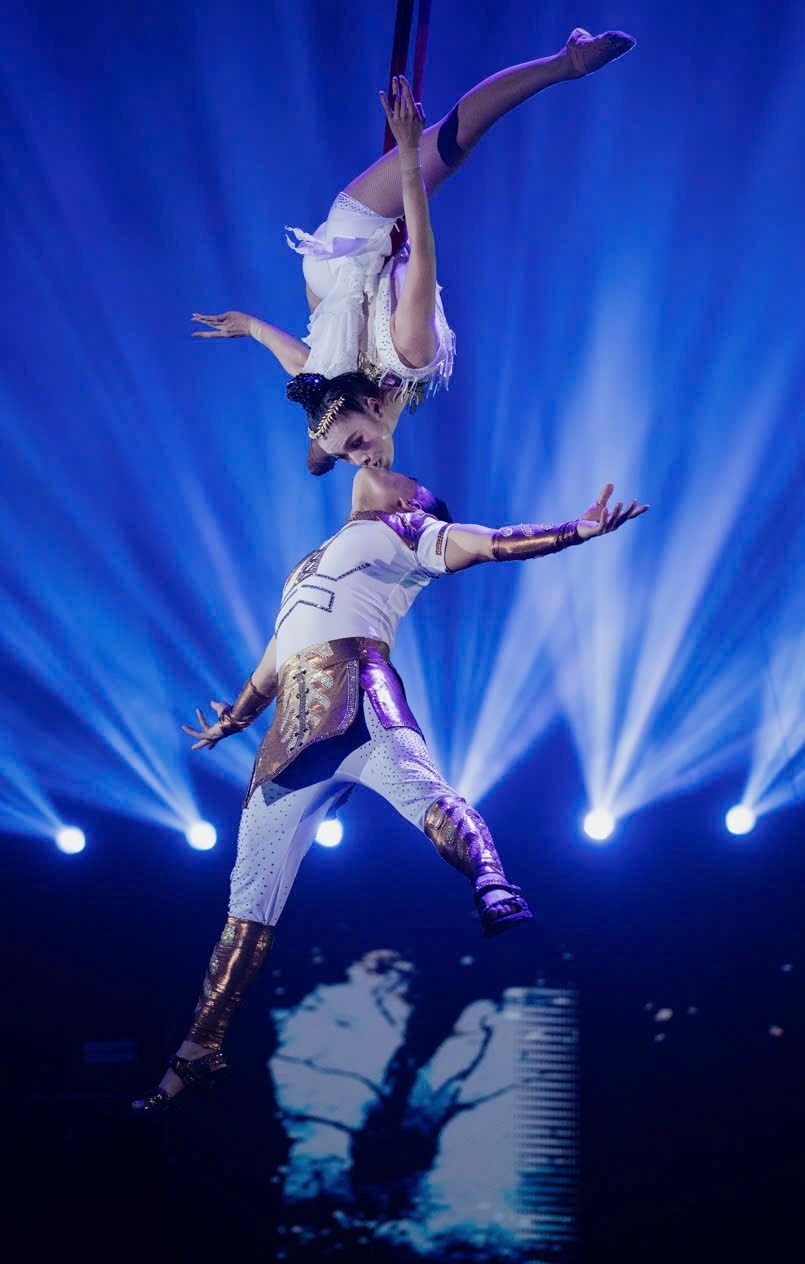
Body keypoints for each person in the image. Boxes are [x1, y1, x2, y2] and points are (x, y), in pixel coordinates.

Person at [131, 469, 648, 1113]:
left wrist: (573, 531)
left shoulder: (407, 530)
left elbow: (489, 542)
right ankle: (199, 1050)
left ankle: (492, 882)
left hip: (357, 694)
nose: (380, 466)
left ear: (409, 501)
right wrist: (234, 718)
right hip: (288, 735)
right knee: (246, 904)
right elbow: (275, 657)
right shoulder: (313, 562)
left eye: (402, 475)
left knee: (425, 793)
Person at [191, 26, 636, 473]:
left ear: (373, 406)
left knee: (449, 143)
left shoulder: (411, 351)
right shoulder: (350, 383)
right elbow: (300, 365)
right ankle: (564, 63)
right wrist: (251, 327)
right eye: (350, 454)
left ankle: (568, 62)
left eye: (355, 446)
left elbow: (422, 245)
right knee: (320, 403)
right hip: (344, 281)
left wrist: (408, 151)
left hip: (351, 245)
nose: (362, 460)